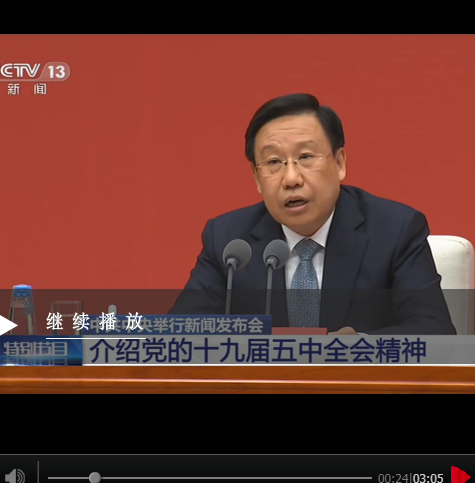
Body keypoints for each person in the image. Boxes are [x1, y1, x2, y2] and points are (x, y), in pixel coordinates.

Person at [169, 93, 456, 335]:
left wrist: (359, 349)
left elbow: (435, 332)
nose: (291, 178)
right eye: (273, 162)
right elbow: (181, 332)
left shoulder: (395, 229)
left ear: (340, 163)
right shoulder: (229, 241)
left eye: (305, 157)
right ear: (256, 178)